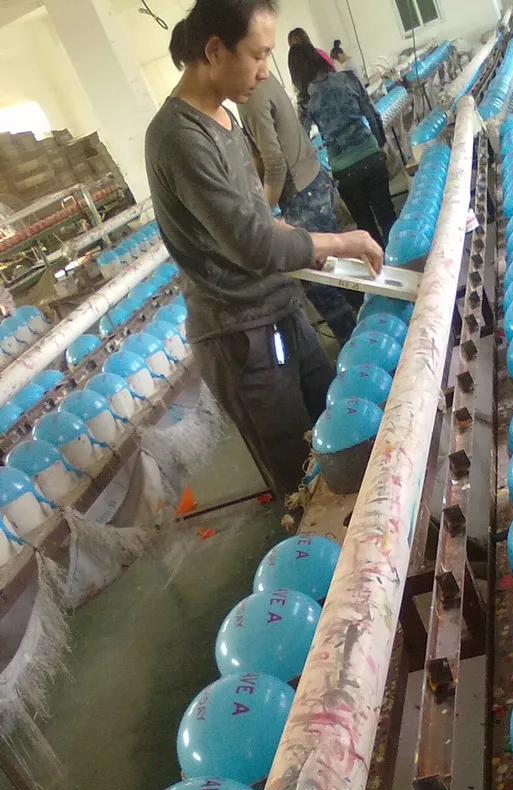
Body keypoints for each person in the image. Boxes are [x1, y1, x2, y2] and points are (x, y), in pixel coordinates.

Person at [145, 0, 383, 498]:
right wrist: (340, 239)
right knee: (302, 478)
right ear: (215, 50)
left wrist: (307, 246)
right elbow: (253, 243)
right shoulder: (178, 138)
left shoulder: (225, 117)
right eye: (257, 55)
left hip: (279, 308)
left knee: (338, 431)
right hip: (241, 333)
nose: (265, 70)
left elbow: (258, 217)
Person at [238, 73, 359, 346]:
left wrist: (262, 214)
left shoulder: (251, 95)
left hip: (301, 193)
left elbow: (275, 163)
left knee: (320, 281)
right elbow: (261, 154)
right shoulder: (265, 81)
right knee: (339, 269)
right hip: (313, 180)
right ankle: (371, 325)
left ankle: (356, 345)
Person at [289, 43, 397, 249]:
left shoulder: (306, 99)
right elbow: (372, 115)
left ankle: (379, 264)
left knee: (365, 228)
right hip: (370, 154)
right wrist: (380, 144)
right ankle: (399, 261)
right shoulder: (348, 78)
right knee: (387, 214)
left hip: (343, 168)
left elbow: (302, 139)